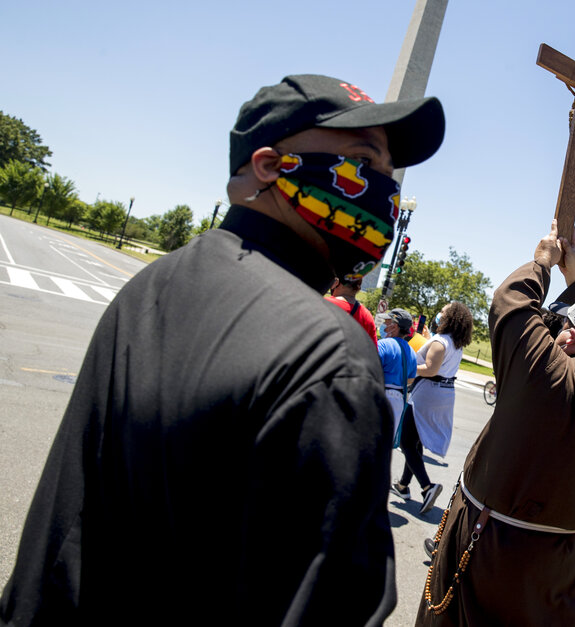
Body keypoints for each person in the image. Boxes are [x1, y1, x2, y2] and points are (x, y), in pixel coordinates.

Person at [0, 73, 444, 626]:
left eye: (388, 172)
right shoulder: (329, 356)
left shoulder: (150, 285)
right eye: (365, 161)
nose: (386, 189)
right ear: (266, 165)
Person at [416, 221, 575, 626]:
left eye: (562, 328)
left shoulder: (547, 375)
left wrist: (543, 263)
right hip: (560, 560)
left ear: (571, 337)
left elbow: (510, 304)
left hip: (493, 544)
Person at [392, 302, 474, 516]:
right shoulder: (455, 343)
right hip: (443, 394)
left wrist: (406, 368)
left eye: (443, 312)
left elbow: (430, 369)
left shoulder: (440, 342)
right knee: (414, 441)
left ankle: (427, 487)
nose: (440, 314)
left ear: (450, 318)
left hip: (427, 394)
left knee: (406, 442)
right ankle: (402, 485)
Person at [378, 307, 418, 443]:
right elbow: (411, 379)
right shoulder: (411, 352)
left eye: (387, 322)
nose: (384, 325)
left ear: (394, 326)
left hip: (379, 397)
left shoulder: (383, 345)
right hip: (398, 401)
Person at [326, 274, 377, 342]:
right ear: (358, 288)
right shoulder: (367, 317)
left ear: (336, 282)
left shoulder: (325, 304)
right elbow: (373, 350)